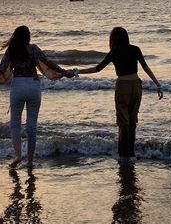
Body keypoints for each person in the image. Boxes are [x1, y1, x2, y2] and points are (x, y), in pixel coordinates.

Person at [0, 25, 70, 169]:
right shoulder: (34, 49)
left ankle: (18, 156)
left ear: (15, 36)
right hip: (33, 86)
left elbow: (2, 68)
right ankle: (30, 162)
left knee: (15, 125)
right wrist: (64, 72)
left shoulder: (11, 50)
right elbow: (48, 63)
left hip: (18, 87)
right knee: (31, 127)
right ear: (28, 37)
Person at [70, 27, 163, 161]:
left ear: (113, 39)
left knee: (123, 122)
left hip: (123, 87)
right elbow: (145, 67)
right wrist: (158, 84)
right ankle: (131, 153)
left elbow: (97, 69)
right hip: (136, 86)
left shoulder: (114, 52)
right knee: (132, 120)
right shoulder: (135, 49)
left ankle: (123, 155)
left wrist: (77, 72)